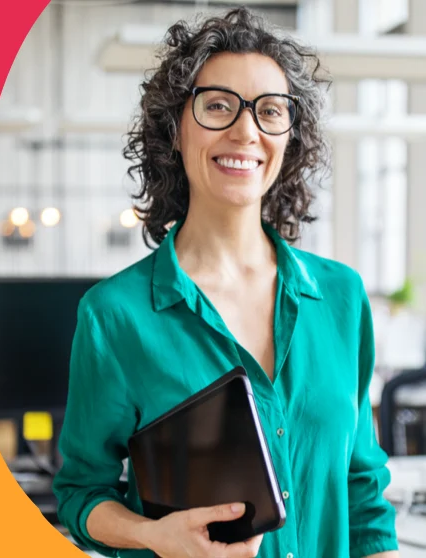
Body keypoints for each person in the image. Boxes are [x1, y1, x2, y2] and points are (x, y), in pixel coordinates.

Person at [52, 7, 400, 558]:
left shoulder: (341, 298)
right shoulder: (115, 315)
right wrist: (150, 535)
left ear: (290, 139)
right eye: (218, 106)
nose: (246, 131)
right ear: (175, 129)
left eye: (270, 111)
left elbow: (362, 492)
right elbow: (80, 494)